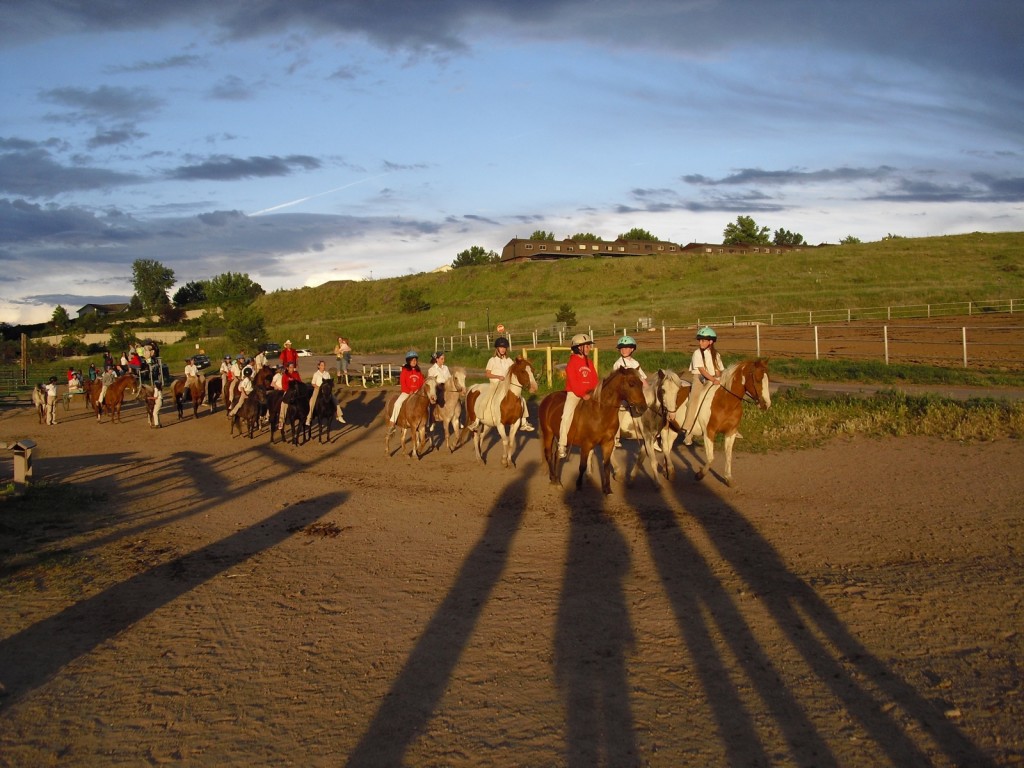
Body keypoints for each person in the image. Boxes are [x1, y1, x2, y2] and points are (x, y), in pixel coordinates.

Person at [467, 337, 534, 432]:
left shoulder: (509, 360)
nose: (502, 349)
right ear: (497, 348)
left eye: (504, 347)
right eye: (501, 347)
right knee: (486, 398)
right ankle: (476, 421)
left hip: (506, 385)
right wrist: (498, 377)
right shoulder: (492, 360)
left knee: (521, 399)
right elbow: (487, 374)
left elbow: (515, 369)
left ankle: (524, 422)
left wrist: (520, 361)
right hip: (495, 384)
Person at [681, 326, 725, 445]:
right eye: (700, 340)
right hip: (699, 379)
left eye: (703, 340)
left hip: (713, 379)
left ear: (711, 341)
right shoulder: (697, 353)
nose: (701, 342)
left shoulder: (716, 354)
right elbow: (701, 370)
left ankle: (727, 426)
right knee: (694, 400)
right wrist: (713, 379)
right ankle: (688, 430)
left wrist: (717, 377)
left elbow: (718, 369)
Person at [557, 333, 598, 458]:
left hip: (590, 394)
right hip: (575, 394)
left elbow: (595, 379)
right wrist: (582, 394)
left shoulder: (589, 362)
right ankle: (561, 444)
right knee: (566, 416)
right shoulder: (572, 363)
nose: (589, 348)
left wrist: (595, 392)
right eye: (586, 346)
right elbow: (573, 383)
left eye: (589, 346)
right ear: (578, 348)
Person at [611, 335, 647, 448]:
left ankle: (650, 436)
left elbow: (642, 378)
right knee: (618, 412)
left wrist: (648, 389)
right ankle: (615, 437)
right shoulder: (618, 364)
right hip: (623, 392)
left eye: (627, 348)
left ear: (632, 349)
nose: (624, 350)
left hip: (634, 391)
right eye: (622, 348)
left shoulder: (635, 363)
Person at [389, 351, 424, 426]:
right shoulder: (404, 371)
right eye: (412, 360)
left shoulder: (418, 371)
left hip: (417, 393)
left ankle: (426, 423)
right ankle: (393, 420)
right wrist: (409, 391)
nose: (414, 362)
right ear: (408, 361)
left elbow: (422, 382)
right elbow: (403, 384)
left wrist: (419, 391)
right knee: (397, 403)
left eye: (415, 360)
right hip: (407, 392)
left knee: (426, 405)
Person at [305, 360, 346, 426]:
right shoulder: (316, 374)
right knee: (312, 402)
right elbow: (313, 383)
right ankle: (308, 418)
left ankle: (339, 416)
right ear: (318, 366)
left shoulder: (327, 374)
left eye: (324, 365)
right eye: (322, 365)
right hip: (317, 389)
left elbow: (330, 382)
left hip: (326, 391)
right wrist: (318, 387)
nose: (323, 367)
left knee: (335, 400)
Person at [427, 351, 453, 431]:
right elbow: (431, 381)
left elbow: (449, 378)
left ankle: (456, 416)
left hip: (447, 387)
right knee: (433, 401)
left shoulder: (446, 368)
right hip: (437, 387)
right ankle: (432, 420)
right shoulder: (432, 369)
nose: (443, 360)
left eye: (444, 358)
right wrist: (438, 385)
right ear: (437, 359)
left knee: (456, 397)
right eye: (442, 359)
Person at [277, 360, 303, 429]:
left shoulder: (296, 374)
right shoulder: (285, 375)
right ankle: (281, 421)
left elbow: (300, 382)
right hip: (288, 392)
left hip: (296, 392)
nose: (292, 368)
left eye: (293, 367)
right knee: (283, 404)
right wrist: (289, 391)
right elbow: (284, 386)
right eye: (290, 367)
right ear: (287, 368)